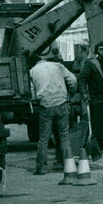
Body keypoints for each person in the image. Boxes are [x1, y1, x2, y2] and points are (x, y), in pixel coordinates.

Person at [28, 53, 77, 181]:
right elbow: (72, 80)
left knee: (44, 138)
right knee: (64, 136)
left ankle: (41, 168)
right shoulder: (58, 66)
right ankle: (68, 165)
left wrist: (35, 100)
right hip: (62, 103)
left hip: (46, 105)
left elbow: (32, 92)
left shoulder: (32, 71)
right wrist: (71, 92)